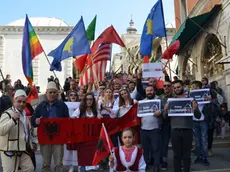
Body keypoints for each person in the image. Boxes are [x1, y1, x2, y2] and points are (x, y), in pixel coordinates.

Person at [164, 80, 201, 172]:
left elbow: (198, 116)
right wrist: (165, 111)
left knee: (186, 155)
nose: (176, 89)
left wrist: (196, 109)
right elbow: (165, 117)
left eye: (178, 87)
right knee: (176, 155)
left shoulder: (191, 99)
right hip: (175, 130)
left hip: (187, 130)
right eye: (175, 88)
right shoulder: (170, 101)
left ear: (183, 87)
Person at [32, 81, 69, 172]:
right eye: (50, 92)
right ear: (46, 93)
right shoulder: (41, 106)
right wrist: (36, 121)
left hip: (59, 138)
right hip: (45, 139)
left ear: (57, 93)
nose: (52, 94)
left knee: (59, 164)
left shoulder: (62, 105)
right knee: (45, 164)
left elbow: (67, 120)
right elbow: (33, 120)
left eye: (54, 92)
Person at [0, 89, 35, 172]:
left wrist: (32, 143)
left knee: (29, 169)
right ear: (14, 100)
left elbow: (27, 132)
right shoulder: (7, 114)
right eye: (19, 101)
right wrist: (12, 120)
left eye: (24, 102)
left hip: (22, 149)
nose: (21, 104)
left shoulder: (24, 115)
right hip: (9, 150)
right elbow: (1, 131)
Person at [72, 92, 99, 172]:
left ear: (93, 101)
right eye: (87, 99)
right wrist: (74, 118)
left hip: (93, 140)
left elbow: (100, 121)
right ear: (84, 101)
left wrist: (99, 118)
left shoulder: (96, 111)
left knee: (92, 158)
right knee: (83, 159)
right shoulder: (80, 110)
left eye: (91, 99)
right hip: (83, 140)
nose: (89, 101)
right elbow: (72, 118)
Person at [191, 81, 209, 166]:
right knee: (197, 141)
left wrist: (208, 98)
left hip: (203, 121)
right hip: (194, 121)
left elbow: (209, 103)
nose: (193, 88)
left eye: (195, 86)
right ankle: (199, 156)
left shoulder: (204, 94)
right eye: (192, 87)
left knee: (204, 140)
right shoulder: (191, 96)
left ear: (199, 87)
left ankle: (204, 157)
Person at [63, 91, 79, 172]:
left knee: (77, 149)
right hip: (69, 130)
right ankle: (71, 165)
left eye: (75, 95)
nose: (73, 96)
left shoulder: (80, 105)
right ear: (68, 97)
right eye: (71, 95)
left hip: (78, 130)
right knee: (69, 149)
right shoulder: (65, 105)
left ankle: (78, 165)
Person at [160, 80, 173, 171]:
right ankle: (164, 161)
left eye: (168, 86)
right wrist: (163, 111)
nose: (166, 87)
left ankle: (178, 161)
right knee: (164, 144)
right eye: (165, 86)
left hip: (175, 123)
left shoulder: (176, 96)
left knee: (177, 144)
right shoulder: (159, 98)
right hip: (164, 124)